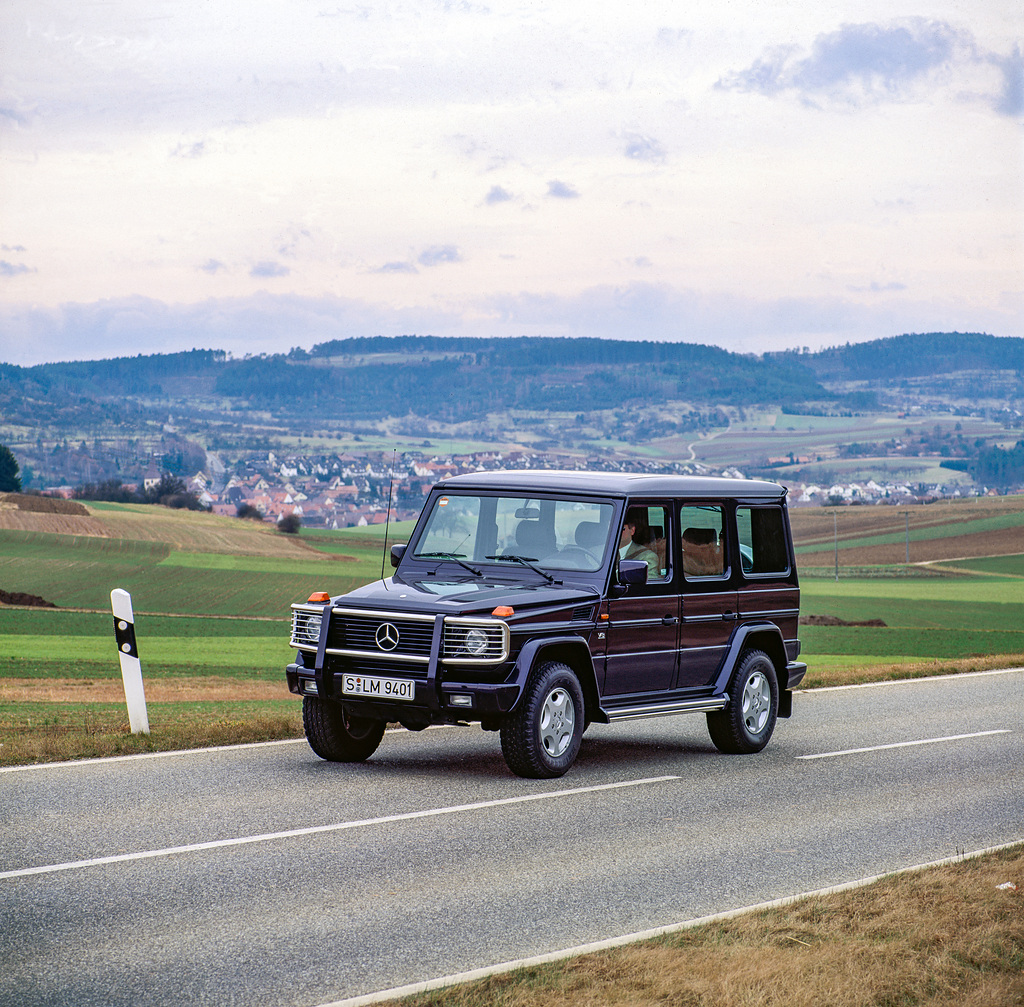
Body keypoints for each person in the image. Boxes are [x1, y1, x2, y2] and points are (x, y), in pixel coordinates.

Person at [619, 507, 660, 577]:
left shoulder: (647, 557)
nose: (616, 532)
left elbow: (649, 581)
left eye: (622, 529)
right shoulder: (599, 553)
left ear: (632, 530)